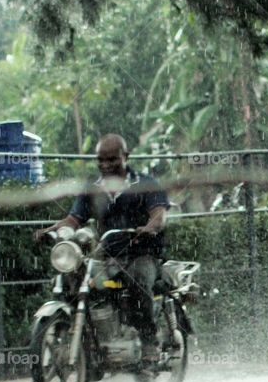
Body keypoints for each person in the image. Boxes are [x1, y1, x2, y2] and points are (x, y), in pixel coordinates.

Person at [35, 134, 170, 364]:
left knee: (137, 281)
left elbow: (159, 215)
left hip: (143, 254)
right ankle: (93, 340)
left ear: (126, 157)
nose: (105, 165)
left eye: (112, 160)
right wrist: (51, 230)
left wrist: (148, 228)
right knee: (75, 280)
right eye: (101, 160)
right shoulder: (92, 190)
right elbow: (73, 219)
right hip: (108, 257)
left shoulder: (145, 183)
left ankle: (149, 342)